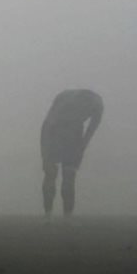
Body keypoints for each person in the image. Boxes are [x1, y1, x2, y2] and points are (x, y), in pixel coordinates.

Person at [40, 89, 103, 219]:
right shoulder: (67, 100)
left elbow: (90, 130)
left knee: (67, 175)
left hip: (68, 133)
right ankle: (52, 216)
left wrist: (81, 149)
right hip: (56, 132)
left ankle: (60, 217)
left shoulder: (94, 104)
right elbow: (48, 125)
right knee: (54, 174)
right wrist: (46, 155)